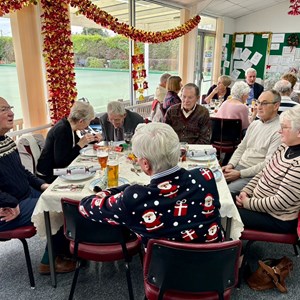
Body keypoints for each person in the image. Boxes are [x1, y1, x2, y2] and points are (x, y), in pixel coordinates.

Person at [79, 122, 224, 245]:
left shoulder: (134, 197)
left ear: (145, 164)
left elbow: (85, 206)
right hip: (215, 268)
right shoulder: (205, 176)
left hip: (165, 273)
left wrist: (125, 188)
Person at [0, 97, 75, 274]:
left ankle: (66, 251)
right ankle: (49, 262)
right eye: (4, 110)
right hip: (9, 207)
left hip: (23, 196)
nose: (11, 113)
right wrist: (10, 202)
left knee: (60, 196)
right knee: (57, 207)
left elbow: (23, 173)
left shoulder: (7, 141)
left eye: (10, 107)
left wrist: (43, 186)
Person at [236, 106, 300, 233]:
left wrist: (248, 202)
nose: (279, 131)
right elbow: (264, 172)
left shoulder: (298, 163)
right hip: (259, 203)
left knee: (224, 212)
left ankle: (227, 250)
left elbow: (280, 202)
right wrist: (247, 190)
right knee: (220, 200)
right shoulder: (284, 147)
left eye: (284, 128)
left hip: (277, 218)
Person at [222, 90, 282, 197]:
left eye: (264, 103)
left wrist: (240, 174)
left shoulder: (279, 130)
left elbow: (267, 164)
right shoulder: (254, 124)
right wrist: (230, 165)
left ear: (276, 106)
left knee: (225, 193)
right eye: (258, 102)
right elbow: (241, 148)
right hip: (238, 167)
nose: (258, 107)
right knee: (211, 183)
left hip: (254, 175)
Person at [37, 101, 100, 183]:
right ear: (81, 121)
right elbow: (61, 163)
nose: (88, 125)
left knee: (95, 168)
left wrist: (93, 139)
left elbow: (78, 144)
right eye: (89, 121)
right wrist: (80, 145)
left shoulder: (69, 126)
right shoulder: (62, 130)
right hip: (49, 174)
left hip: (57, 169)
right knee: (92, 171)